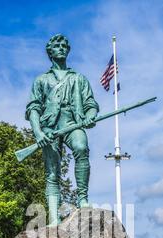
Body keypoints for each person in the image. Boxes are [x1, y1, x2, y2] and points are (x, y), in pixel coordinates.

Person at [25, 34, 99, 225]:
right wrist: (38, 132)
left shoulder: (79, 78)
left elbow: (90, 103)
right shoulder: (41, 80)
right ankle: (53, 216)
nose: (61, 48)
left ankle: (82, 199)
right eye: (57, 45)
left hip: (72, 122)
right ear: (50, 52)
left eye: (64, 45)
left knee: (81, 148)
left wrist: (90, 114)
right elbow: (33, 108)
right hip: (49, 128)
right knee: (52, 172)